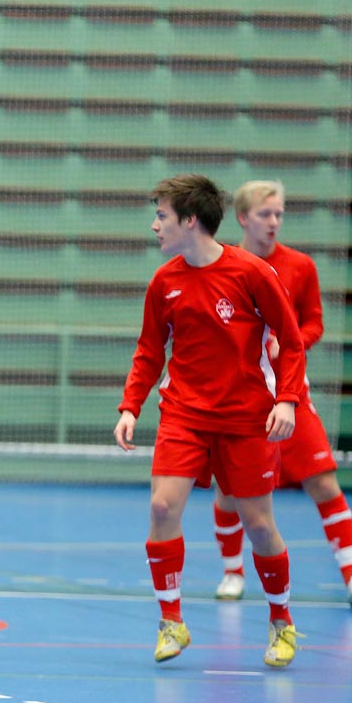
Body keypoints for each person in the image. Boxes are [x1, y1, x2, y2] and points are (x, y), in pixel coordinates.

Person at [114, 173, 307, 669]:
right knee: (161, 507)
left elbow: (291, 340)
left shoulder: (251, 274)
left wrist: (286, 400)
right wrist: (131, 406)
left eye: (162, 216)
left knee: (259, 525)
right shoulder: (164, 282)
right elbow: (150, 349)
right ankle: (171, 621)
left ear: (189, 221)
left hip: (245, 419)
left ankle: (282, 623)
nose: (155, 225)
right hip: (183, 415)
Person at [210, 180, 352, 610]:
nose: (274, 222)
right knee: (229, 493)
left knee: (324, 482)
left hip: (290, 394)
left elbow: (314, 324)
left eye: (280, 214)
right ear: (243, 218)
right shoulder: (219, 265)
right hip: (239, 400)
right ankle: (232, 572)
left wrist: (291, 344)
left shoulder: (300, 267)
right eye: (266, 214)